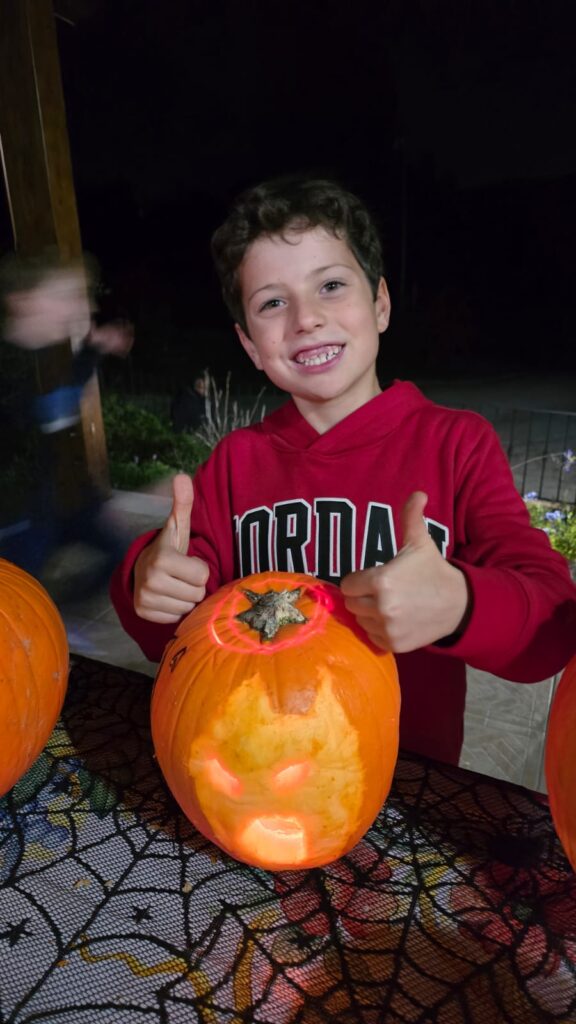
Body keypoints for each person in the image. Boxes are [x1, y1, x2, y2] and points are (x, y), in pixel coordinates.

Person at [110, 177, 576, 765]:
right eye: (272, 302)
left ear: (380, 303)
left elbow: (553, 629)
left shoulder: (457, 444)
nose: (305, 318)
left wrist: (460, 604)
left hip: (410, 783)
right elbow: (167, 637)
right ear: (251, 345)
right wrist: (144, 580)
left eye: (331, 285)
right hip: (260, 764)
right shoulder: (237, 460)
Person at [0, 252, 134, 600]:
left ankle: (57, 615)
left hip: (46, 509)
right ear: (22, 302)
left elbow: (56, 419)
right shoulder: (9, 365)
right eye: (67, 296)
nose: (83, 308)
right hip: (12, 521)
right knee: (21, 604)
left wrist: (94, 505)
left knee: (123, 551)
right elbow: (50, 414)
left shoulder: (37, 362)